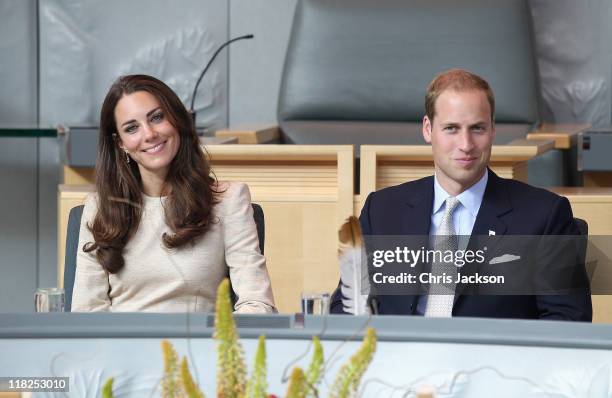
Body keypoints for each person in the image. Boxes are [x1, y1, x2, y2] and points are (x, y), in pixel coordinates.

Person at [331, 68, 592, 321]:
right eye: (451, 128)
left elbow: (568, 320)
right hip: (398, 361)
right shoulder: (382, 210)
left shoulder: (545, 216)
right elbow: (345, 308)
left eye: (477, 128)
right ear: (427, 129)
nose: (466, 145)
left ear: (492, 130)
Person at [72, 74, 275, 313]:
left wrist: (220, 347)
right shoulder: (99, 207)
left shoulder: (228, 200)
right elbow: (86, 314)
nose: (149, 134)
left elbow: (257, 304)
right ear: (121, 143)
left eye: (157, 118)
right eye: (132, 128)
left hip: (199, 347)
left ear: (176, 120)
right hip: (122, 347)